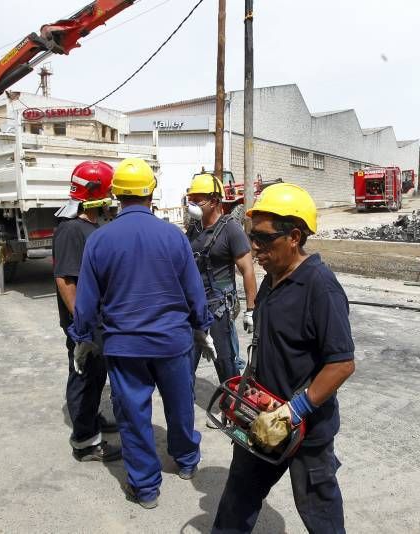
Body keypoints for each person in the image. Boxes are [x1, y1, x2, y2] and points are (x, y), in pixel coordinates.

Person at [69, 158, 216, 510]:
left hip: (125, 346)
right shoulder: (174, 237)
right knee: (181, 405)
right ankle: (185, 461)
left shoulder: (99, 240)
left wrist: (82, 337)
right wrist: (202, 327)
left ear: (115, 194)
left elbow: (86, 301)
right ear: (151, 192)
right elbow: (194, 289)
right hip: (173, 342)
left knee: (133, 416)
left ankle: (146, 488)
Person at [212, 183, 356, 534]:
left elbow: (341, 363)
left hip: (306, 429)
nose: (253, 247)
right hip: (261, 418)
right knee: (238, 499)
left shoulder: (320, 286)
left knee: (320, 511)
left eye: (263, 238)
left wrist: (295, 411)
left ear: (294, 236)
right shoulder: (272, 279)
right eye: (251, 237)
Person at [53, 161, 121, 463]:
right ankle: (85, 442)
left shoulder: (91, 227)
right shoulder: (71, 231)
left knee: (95, 376)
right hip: (85, 325)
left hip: (98, 323)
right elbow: (66, 281)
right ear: (98, 194)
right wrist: (82, 327)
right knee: (83, 377)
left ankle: (92, 420)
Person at [185, 173, 257, 386]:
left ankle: (233, 409)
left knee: (226, 363)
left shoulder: (231, 230)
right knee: (185, 363)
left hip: (219, 309)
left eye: (198, 199)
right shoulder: (194, 229)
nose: (193, 204)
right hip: (193, 308)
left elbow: (247, 270)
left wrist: (251, 309)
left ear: (214, 201)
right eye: (191, 198)